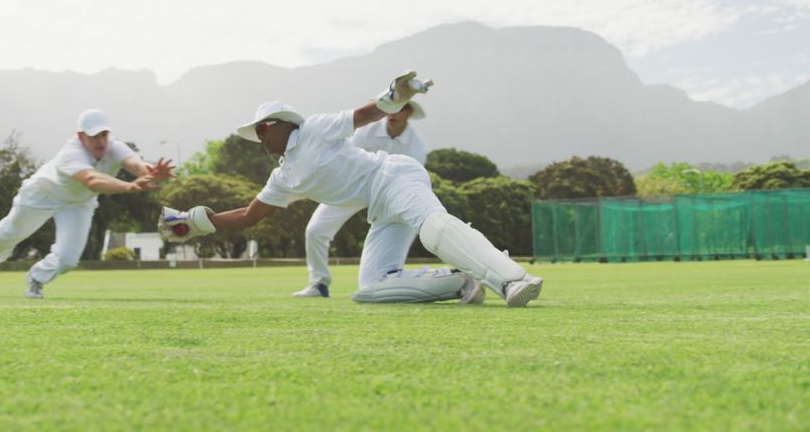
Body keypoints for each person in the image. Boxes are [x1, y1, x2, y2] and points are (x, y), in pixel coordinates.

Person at [159, 72, 543, 306]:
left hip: (395, 177)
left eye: (262, 128)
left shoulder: (314, 129)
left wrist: (395, 97)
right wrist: (197, 223)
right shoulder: (282, 177)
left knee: (434, 228)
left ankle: (512, 280)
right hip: (379, 208)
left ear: (281, 124)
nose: (258, 137)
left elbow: (367, 114)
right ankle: (463, 281)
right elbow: (247, 216)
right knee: (370, 289)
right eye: (255, 132)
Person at [0, 109, 174, 298]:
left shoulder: (114, 147)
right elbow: (92, 181)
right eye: (94, 136)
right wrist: (129, 187)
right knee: (12, 232)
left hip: (78, 203)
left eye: (104, 134)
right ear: (81, 136)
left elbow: (136, 165)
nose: (101, 141)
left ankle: (37, 279)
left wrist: (152, 172)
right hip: (43, 193)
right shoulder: (71, 153)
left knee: (68, 259)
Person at [293, 100, 428, 298]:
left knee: (397, 239)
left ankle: (392, 279)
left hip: (391, 197)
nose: (395, 112)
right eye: (394, 107)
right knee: (315, 230)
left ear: (409, 113)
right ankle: (319, 284)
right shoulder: (366, 132)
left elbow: (411, 182)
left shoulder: (416, 147)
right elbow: (345, 158)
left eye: (402, 108)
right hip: (353, 187)